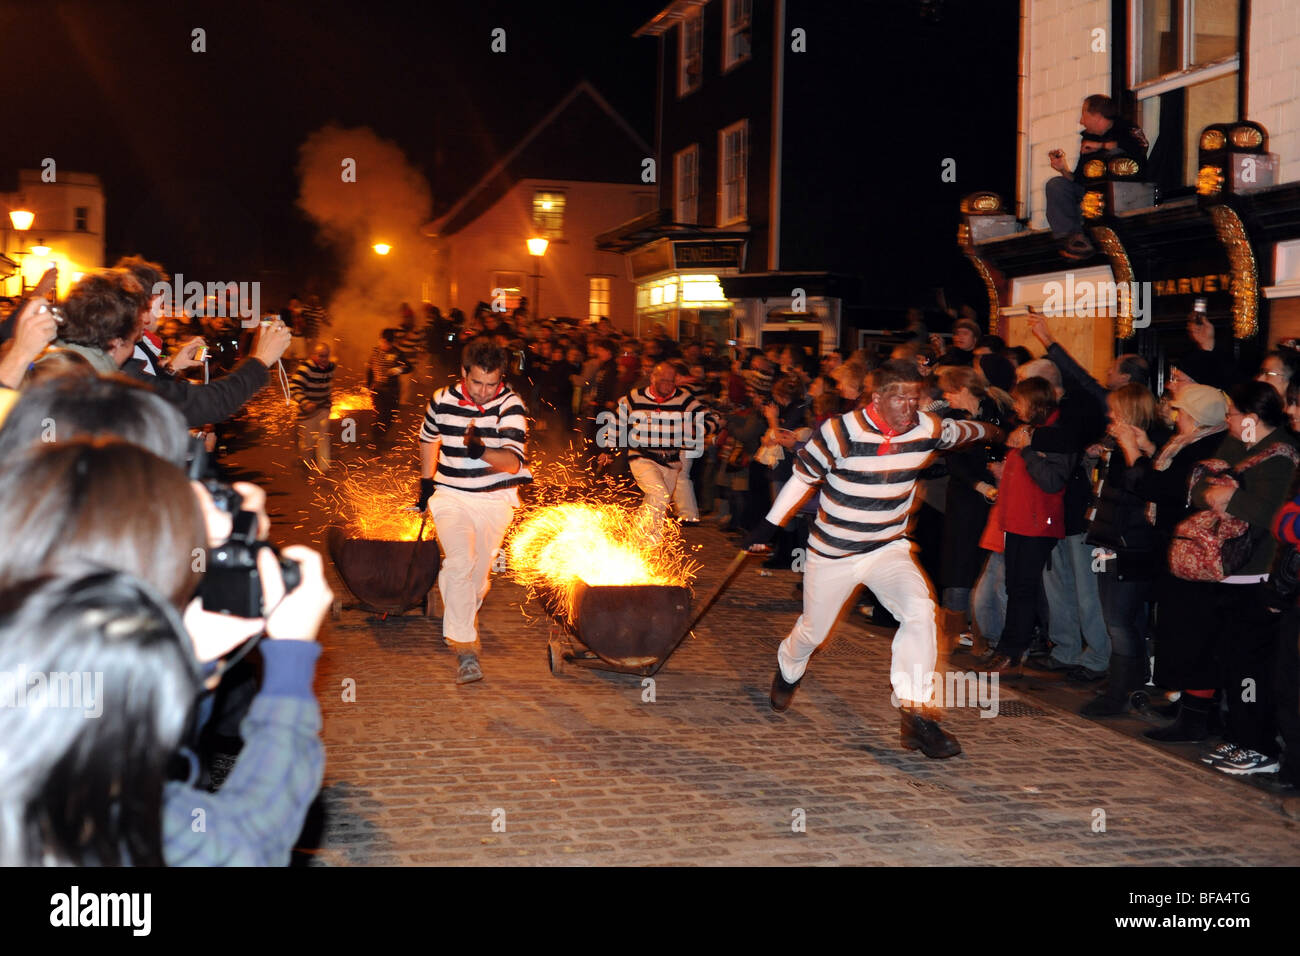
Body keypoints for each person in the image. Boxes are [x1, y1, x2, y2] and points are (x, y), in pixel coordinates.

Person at [745, 360, 1002, 759]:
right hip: (833, 553)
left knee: (920, 611)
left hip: (887, 547)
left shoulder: (925, 426)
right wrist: (768, 526)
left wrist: (996, 430)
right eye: (899, 398)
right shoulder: (839, 432)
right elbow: (802, 478)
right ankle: (788, 666)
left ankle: (916, 715)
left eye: (915, 398)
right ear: (878, 397)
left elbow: (959, 432)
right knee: (813, 633)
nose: (908, 406)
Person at [1146, 382, 1299, 775]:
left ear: (1252, 418)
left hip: (1258, 573)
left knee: (1253, 667)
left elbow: (1274, 515)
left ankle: (1257, 743)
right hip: (1224, 572)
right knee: (1229, 660)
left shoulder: (1282, 456)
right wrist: (1217, 494)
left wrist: (1231, 498)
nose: (1227, 419)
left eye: (1233, 413)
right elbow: (1198, 488)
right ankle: (1240, 735)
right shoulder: (1234, 445)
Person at [417, 339, 531, 684]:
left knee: (477, 579)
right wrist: (425, 485)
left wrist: (480, 451)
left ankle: (455, 596)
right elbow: (427, 438)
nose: (483, 391)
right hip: (450, 495)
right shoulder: (441, 399)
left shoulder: (511, 405)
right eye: (477, 382)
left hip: (495, 500)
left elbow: (512, 463)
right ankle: (465, 648)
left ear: (502, 378)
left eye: (491, 383)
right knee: (460, 562)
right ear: (464, 372)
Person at [610, 362, 713, 539]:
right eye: (663, 380)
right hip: (641, 457)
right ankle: (650, 541)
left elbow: (711, 418)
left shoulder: (683, 398)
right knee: (660, 493)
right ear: (653, 378)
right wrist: (608, 450)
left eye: (671, 381)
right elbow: (616, 421)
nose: (667, 385)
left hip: (671, 461)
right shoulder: (635, 397)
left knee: (656, 500)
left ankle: (637, 537)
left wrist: (699, 429)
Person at [1045, 94, 1148, 259]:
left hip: (1122, 199)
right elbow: (1079, 180)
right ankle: (1074, 239)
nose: (1081, 121)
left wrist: (1103, 146)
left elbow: (1139, 148)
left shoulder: (1126, 129)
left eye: (1084, 115)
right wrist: (1063, 169)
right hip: (1089, 200)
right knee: (1055, 184)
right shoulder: (1088, 138)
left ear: (1097, 116)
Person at [290, 342, 336, 473]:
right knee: (308, 443)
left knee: (323, 437)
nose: (324, 359)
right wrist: (305, 402)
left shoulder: (331, 367)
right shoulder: (305, 369)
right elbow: (294, 387)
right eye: (321, 356)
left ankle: (324, 468)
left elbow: (327, 385)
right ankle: (306, 462)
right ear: (313, 356)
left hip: (323, 408)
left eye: (326, 356)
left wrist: (328, 402)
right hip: (306, 412)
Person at [365, 328, 412, 449]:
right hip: (378, 390)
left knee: (390, 417)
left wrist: (399, 369)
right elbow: (370, 369)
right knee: (380, 416)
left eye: (388, 343)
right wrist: (367, 385)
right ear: (380, 340)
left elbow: (409, 367)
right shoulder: (375, 352)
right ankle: (375, 443)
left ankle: (380, 439)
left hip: (392, 391)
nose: (385, 346)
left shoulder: (397, 353)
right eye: (384, 342)